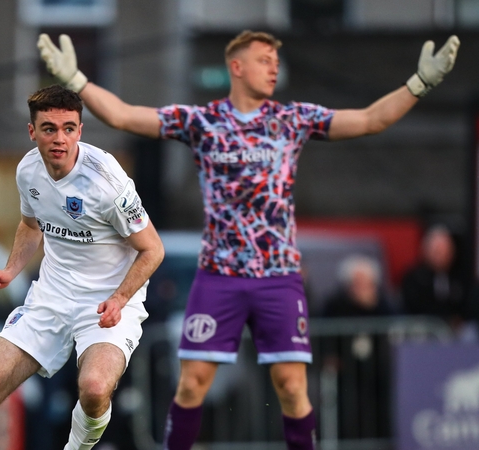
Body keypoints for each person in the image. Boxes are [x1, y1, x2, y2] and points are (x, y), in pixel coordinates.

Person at [38, 30, 459, 449]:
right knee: (192, 384)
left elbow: (371, 120)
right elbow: (124, 116)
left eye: (276, 61)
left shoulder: (292, 119)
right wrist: (76, 81)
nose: (274, 67)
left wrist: (418, 84)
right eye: (264, 59)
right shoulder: (202, 121)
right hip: (219, 276)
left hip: (279, 277)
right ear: (236, 67)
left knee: (292, 386)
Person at [0, 85, 164, 450]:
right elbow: (30, 225)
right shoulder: (28, 171)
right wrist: (10, 270)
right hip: (51, 297)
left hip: (109, 304)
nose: (60, 138)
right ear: (32, 131)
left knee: (95, 389)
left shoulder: (107, 182)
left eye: (69, 128)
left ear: (80, 131)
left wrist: (119, 299)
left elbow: (152, 249)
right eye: (49, 128)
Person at [402, 225, 468, 329]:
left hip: (457, 332)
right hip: (423, 330)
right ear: (426, 251)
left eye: (445, 250)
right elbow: (411, 309)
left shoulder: (462, 277)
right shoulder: (413, 278)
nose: (441, 255)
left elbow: (467, 306)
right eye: (437, 251)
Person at [322, 255, 394, 318]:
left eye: (367, 283)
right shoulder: (334, 306)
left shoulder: (385, 305)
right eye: (358, 283)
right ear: (348, 286)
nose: (363, 288)